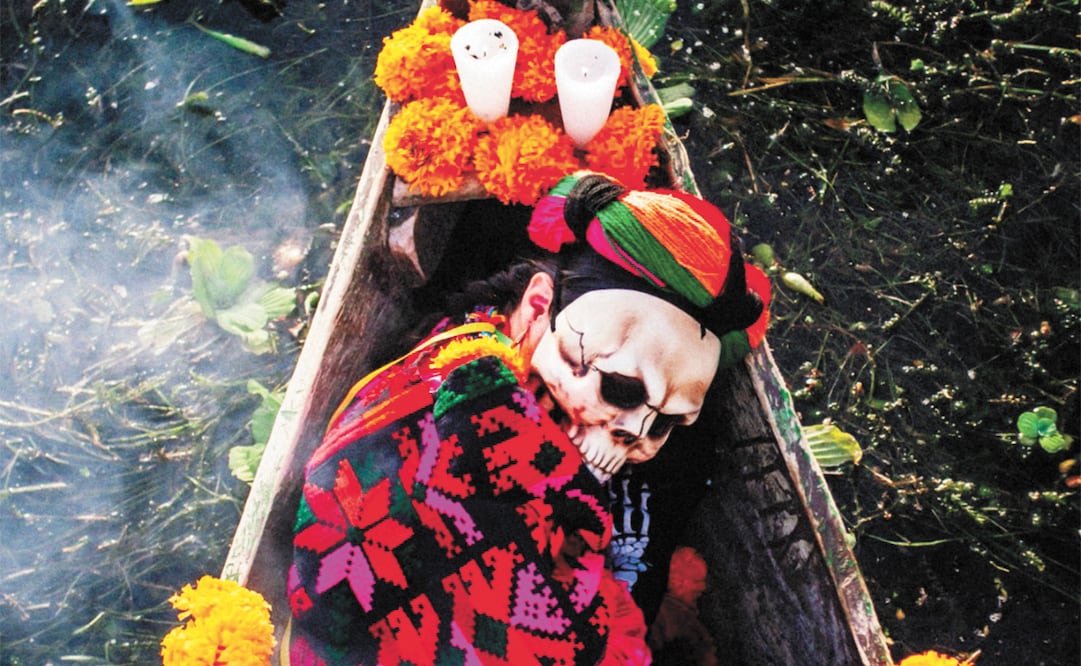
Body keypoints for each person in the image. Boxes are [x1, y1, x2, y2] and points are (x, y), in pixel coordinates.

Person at [286, 171, 770, 665]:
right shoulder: (461, 402)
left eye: (667, 421)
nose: (638, 433)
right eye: (621, 387)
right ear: (539, 306)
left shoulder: (574, 434)